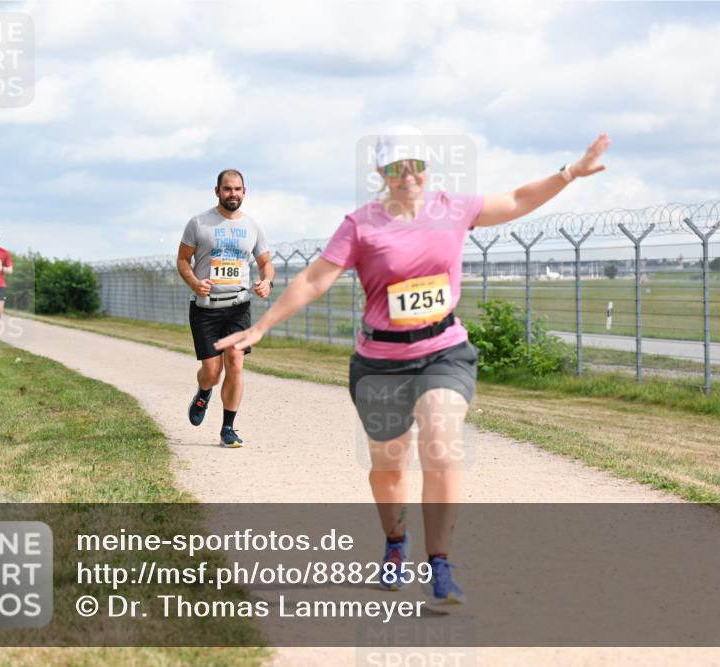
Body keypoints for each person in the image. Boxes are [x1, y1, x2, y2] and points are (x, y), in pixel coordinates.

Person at [217, 128, 610, 604]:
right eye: (395, 169)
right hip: (380, 362)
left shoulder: (453, 209)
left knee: (442, 445)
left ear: (428, 169)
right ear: (381, 175)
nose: (408, 176)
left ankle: (441, 564)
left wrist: (570, 173)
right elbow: (316, 278)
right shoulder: (362, 224)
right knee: (389, 467)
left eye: (416, 166)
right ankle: (396, 543)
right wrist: (262, 328)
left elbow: (516, 199)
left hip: (444, 351)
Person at [177, 169, 275, 448]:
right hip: (206, 308)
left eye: (238, 189)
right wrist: (195, 284)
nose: (233, 194)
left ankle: (228, 428)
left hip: (238, 307)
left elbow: (266, 263)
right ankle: (203, 391)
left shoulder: (252, 226)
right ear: (217, 191)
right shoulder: (199, 223)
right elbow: (183, 260)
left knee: (235, 364)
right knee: (212, 371)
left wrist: (266, 281)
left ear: (245, 192)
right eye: (227, 189)